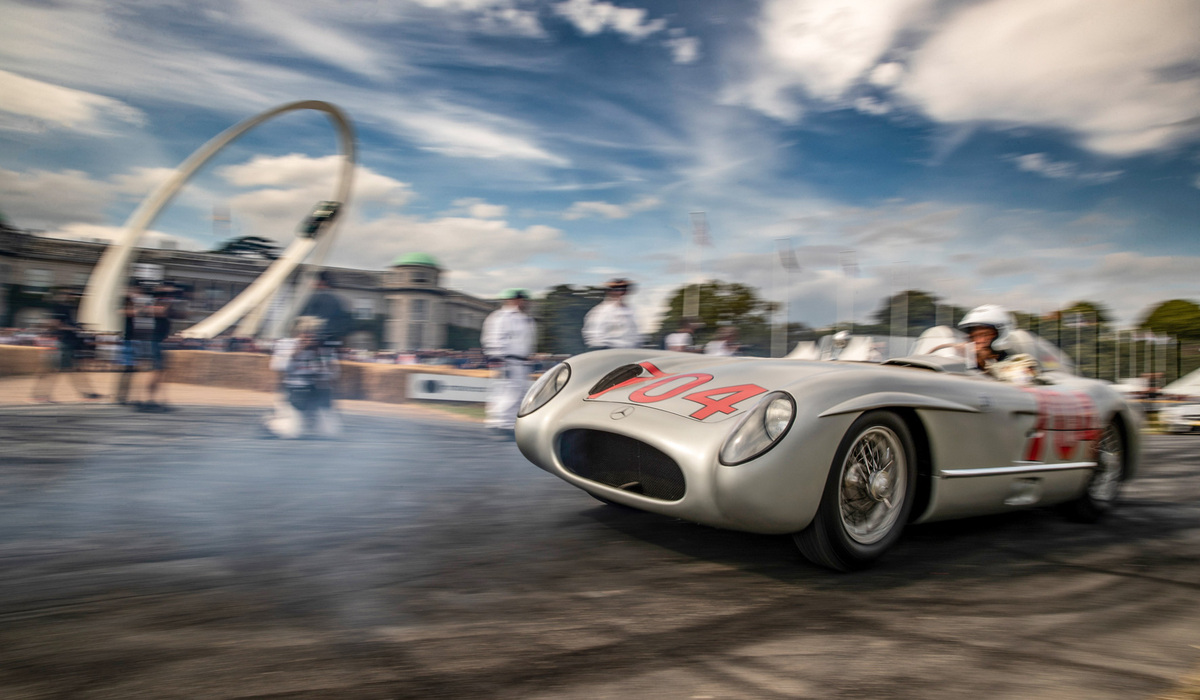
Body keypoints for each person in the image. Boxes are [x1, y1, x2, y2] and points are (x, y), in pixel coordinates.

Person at [264, 316, 341, 439]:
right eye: (307, 333)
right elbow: (278, 367)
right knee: (291, 432)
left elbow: (333, 374)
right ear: (298, 333)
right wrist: (297, 351)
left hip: (317, 392)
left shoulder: (324, 349)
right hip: (293, 389)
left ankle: (311, 420)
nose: (310, 337)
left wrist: (319, 355)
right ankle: (271, 422)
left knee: (331, 432)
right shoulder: (285, 344)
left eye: (314, 333)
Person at [481, 288, 537, 437]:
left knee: (516, 393)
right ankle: (502, 424)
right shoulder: (501, 317)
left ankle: (502, 423)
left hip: (520, 361)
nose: (525, 303)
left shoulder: (524, 318)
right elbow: (494, 338)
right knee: (507, 392)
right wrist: (497, 358)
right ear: (515, 300)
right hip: (507, 360)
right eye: (522, 300)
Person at [30, 289, 102, 403]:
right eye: (70, 295)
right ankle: (40, 395)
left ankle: (86, 393)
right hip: (63, 343)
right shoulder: (60, 308)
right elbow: (56, 325)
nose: (72, 297)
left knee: (71, 370)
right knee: (55, 370)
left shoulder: (66, 308)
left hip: (68, 344)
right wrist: (74, 329)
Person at [957, 304, 1038, 383]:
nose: (978, 340)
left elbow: (1022, 381)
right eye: (974, 336)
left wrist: (983, 364)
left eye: (985, 334)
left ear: (1002, 334)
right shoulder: (964, 360)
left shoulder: (1020, 361)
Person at [582, 278, 639, 350]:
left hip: (631, 352)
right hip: (609, 352)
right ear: (609, 291)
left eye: (624, 289)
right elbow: (594, 336)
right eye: (616, 289)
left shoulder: (630, 311)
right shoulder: (600, 312)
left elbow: (635, 335)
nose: (620, 292)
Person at [300, 270, 351, 347]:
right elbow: (345, 326)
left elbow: (304, 322)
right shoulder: (339, 300)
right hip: (333, 343)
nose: (311, 283)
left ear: (321, 282)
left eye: (314, 280)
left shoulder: (313, 298)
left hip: (314, 343)